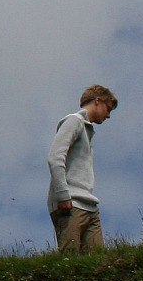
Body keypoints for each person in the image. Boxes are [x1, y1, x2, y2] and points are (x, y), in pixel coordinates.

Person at [48, 85, 117, 250]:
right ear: (98, 101)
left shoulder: (87, 130)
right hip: (71, 203)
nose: (108, 115)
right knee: (70, 257)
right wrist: (63, 195)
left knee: (97, 259)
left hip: (90, 205)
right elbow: (55, 158)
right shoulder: (74, 121)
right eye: (108, 109)